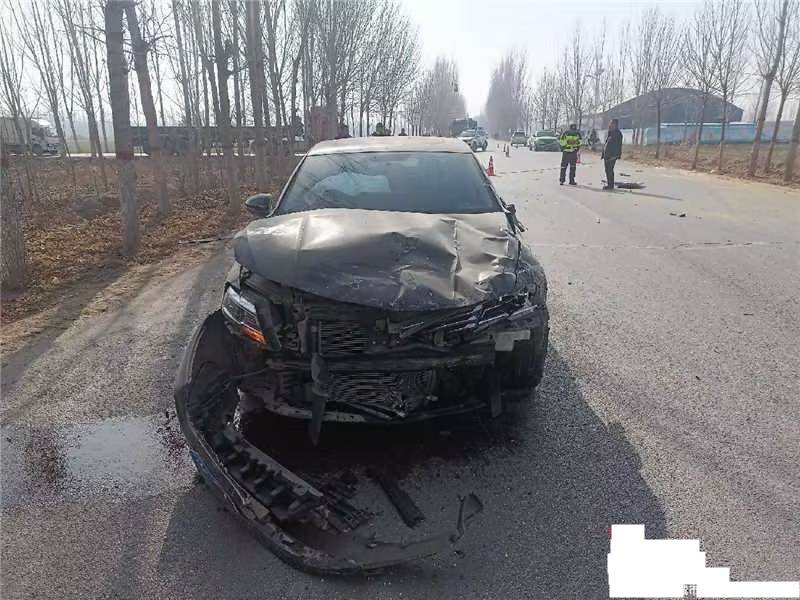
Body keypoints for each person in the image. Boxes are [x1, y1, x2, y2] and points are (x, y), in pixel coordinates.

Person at [602, 118, 623, 191]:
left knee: (610, 169)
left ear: (615, 124)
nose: (610, 124)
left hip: (612, 155)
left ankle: (610, 185)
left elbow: (618, 146)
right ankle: (609, 184)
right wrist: (603, 153)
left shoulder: (618, 133)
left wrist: (616, 155)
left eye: (611, 123)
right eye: (610, 123)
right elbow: (606, 143)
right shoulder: (610, 132)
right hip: (607, 154)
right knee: (607, 170)